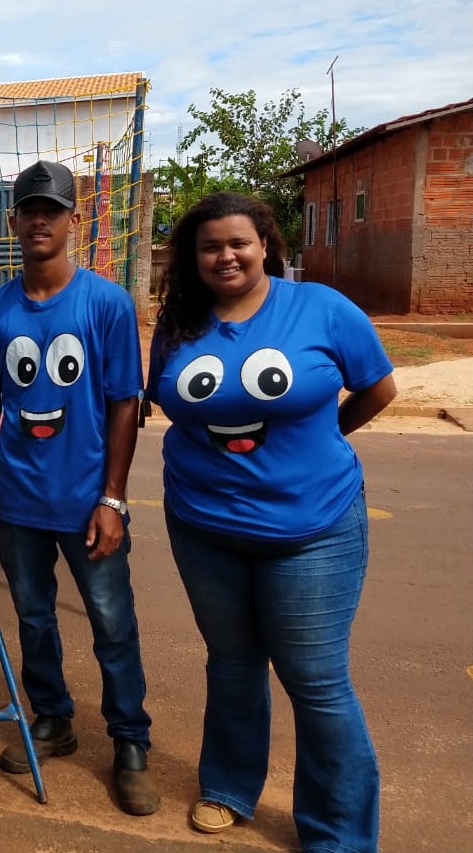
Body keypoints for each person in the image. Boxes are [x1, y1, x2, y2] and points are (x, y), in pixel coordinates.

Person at [146, 192, 395, 851]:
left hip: (310, 528)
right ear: (192, 257)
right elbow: (162, 398)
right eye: (208, 246)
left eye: (237, 243)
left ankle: (339, 832)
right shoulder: (180, 321)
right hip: (202, 525)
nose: (224, 256)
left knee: (314, 678)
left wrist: (324, 439)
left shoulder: (321, 309)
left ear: (266, 245)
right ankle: (228, 787)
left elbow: (378, 387)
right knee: (231, 660)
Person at [0, 160, 159, 816]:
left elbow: (125, 403)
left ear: (75, 220)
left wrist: (113, 497)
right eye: (28, 209)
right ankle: (53, 718)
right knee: (35, 616)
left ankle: (130, 740)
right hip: (20, 501)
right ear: (12, 220)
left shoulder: (106, 303)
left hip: (87, 502)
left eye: (53, 209)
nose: (40, 219)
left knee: (110, 620)